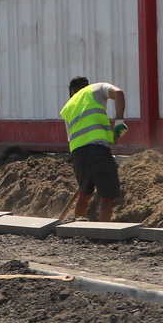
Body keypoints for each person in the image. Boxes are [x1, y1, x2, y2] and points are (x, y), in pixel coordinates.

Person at [60, 76, 127, 222]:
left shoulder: (67, 107)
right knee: (107, 196)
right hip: (98, 150)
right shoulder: (97, 88)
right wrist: (120, 121)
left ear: (72, 91)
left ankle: (78, 229)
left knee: (84, 193)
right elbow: (119, 93)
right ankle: (104, 232)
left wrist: (113, 135)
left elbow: (74, 137)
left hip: (78, 154)